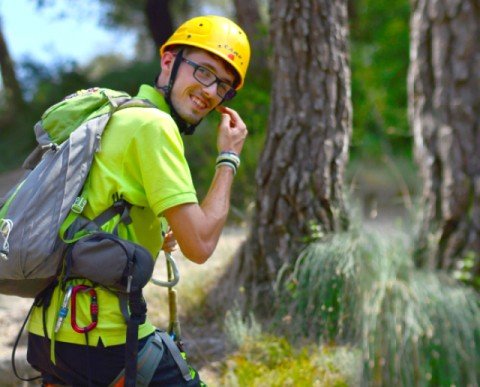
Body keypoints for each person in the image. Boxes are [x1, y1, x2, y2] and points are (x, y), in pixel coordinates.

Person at [26, 14, 250, 386]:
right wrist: (229, 158)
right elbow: (201, 245)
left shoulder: (121, 115)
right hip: (102, 337)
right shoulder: (155, 127)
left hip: (50, 331)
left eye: (224, 86)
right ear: (169, 60)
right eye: (204, 72)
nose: (211, 91)